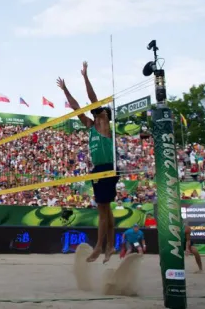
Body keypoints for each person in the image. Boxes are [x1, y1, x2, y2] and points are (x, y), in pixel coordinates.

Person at [58, 61, 119, 263]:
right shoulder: (91, 125)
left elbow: (92, 99)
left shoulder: (103, 121)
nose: (93, 108)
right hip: (97, 171)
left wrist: (85, 76)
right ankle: (109, 246)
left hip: (107, 169)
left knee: (103, 210)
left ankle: (99, 247)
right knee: (105, 209)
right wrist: (65, 89)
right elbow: (76, 108)